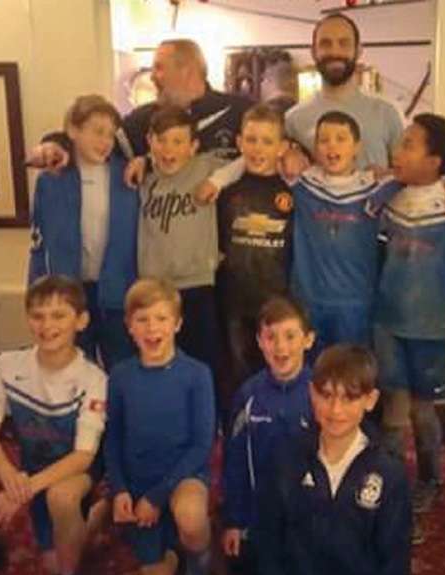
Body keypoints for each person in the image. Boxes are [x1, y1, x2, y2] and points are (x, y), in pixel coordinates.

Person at [203, 110, 400, 351]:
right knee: (306, 368)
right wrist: (217, 180)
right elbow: (257, 156)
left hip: (355, 304)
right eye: (324, 140)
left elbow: (416, 175)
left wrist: (444, 181)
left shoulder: (375, 187)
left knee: (350, 368)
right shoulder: (301, 181)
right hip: (306, 302)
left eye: (341, 139)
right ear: (314, 148)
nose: (332, 146)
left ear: (357, 146)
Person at [0, 275, 107, 575]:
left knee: (61, 504)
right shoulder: (8, 365)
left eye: (59, 315)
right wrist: (9, 476)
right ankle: (94, 522)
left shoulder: (93, 379)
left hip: (80, 470)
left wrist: (22, 491)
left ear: (81, 320)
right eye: (38, 316)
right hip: (33, 469)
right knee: (52, 559)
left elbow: (83, 456)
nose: (47, 326)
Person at [372, 114, 445, 543]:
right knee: (392, 411)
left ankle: (431, 479)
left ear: (434, 160)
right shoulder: (389, 196)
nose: (398, 151)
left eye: (409, 145)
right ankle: (393, 490)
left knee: (424, 410)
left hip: (430, 327)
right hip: (387, 321)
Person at [256, 344, 411, 575]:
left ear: (370, 400)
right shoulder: (286, 459)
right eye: (326, 395)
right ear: (311, 393)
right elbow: (270, 544)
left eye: (349, 398)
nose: (335, 410)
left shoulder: (389, 474)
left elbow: (393, 568)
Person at [104, 278, 215, 575]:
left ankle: (197, 572)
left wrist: (156, 496)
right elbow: (113, 438)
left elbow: (202, 444)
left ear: (177, 323)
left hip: (183, 476)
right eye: (142, 320)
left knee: (191, 517)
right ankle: (171, 551)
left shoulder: (197, 374)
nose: (152, 329)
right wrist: (120, 489)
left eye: (161, 318)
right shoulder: (120, 376)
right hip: (138, 481)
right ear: (129, 326)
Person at [28, 94, 138, 370]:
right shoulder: (52, 180)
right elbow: (39, 242)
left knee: (121, 368)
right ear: (73, 130)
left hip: (117, 290)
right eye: (97, 132)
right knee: (73, 369)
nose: (105, 142)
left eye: (110, 135)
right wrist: (37, 291)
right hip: (69, 292)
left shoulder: (127, 176)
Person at [29, 39, 252, 172]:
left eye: (159, 68)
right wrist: (55, 144)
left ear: (187, 71)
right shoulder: (141, 120)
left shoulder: (241, 111)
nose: (152, 76)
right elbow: (96, 143)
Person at [222, 296, 315, 575]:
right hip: (262, 514)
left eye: (290, 336)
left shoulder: (322, 393)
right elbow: (235, 460)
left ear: (308, 340)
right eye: (271, 337)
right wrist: (235, 520)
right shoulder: (248, 395)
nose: (281, 347)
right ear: (259, 342)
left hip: (310, 514)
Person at [138, 105, 223, 376]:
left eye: (178, 141)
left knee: (203, 362)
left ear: (193, 146)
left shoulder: (205, 167)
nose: (168, 150)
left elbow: (246, 162)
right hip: (155, 289)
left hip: (196, 283)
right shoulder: (143, 178)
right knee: (159, 363)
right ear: (149, 141)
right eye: (161, 140)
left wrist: (218, 181)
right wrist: (141, 160)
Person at [216, 104, 293, 390]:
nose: (258, 148)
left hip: (278, 300)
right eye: (251, 140)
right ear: (239, 142)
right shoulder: (225, 190)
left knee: (278, 374)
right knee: (238, 375)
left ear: (282, 147)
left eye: (267, 141)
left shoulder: (292, 191)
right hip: (233, 299)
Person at [283, 12, 403, 172]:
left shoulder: (387, 113)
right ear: (313, 52)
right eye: (325, 44)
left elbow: (409, 176)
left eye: (344, 43)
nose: (335, 52)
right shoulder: (293, 120)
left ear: (358, 51)